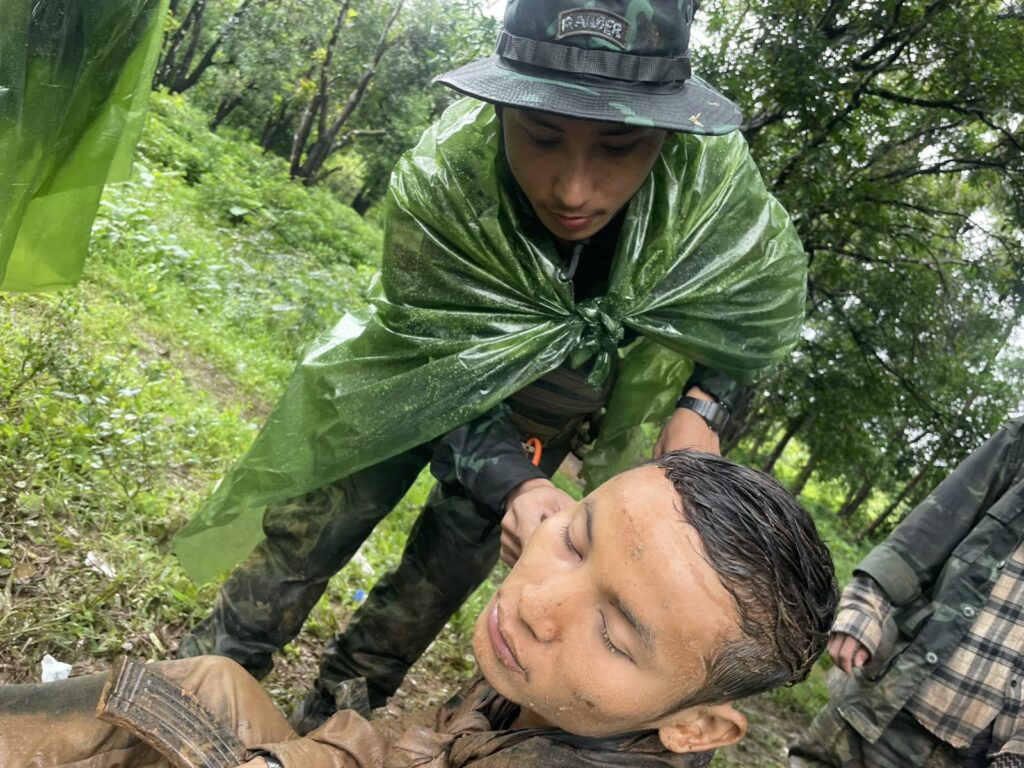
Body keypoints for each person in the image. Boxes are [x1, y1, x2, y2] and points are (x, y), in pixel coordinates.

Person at [173, 0, 808, 728]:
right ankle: (207, 686)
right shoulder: (446, 183)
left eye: (617, 148)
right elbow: (438, 361)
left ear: (667, 133)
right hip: (407, 373)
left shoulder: (710, 195)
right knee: (311, 529)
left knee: (440, 575)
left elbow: (750, 307)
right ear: (501, 109)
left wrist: (701, 406)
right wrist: (511, 479)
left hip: (549, 407)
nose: (574, 190)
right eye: (540, 136)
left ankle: (334, 722)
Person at [3, 450, 837, 768]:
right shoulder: (553, 688)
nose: (539, 603)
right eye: (575, 541)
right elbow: (419, 749)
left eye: (614, 633)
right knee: (208, 683)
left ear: (698, 729)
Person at [789, 416, 1024, 768]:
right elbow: (925, 534)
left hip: (991, 751)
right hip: (902, 700)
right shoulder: (1020, 442)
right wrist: (864, 606)